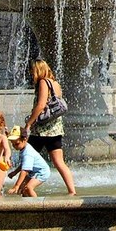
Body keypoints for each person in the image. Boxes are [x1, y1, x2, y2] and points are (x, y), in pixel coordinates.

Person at [25, 59, 76, 195]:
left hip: (41, 130)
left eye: (32, 70)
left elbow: (41, 105)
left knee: (26, 158)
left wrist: (29, 123)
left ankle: (22, 188)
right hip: (55, 128)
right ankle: (72, 191)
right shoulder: (55, 83)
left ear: (37, 70)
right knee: (59, 162)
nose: (30, 73)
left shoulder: (43, 82)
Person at [7, 126, 50, 197]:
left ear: (25, 139)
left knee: (28, 187)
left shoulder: (27, 153)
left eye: (17, 144)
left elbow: (25, 170)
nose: (14, 146)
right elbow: (24, 164)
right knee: (22, 188)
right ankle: (27, 204)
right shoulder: (23, 148)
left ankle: (37, 205)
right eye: (12, 144)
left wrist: (16, 185)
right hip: (34, 171)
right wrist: (15, 172)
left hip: (41, 172)